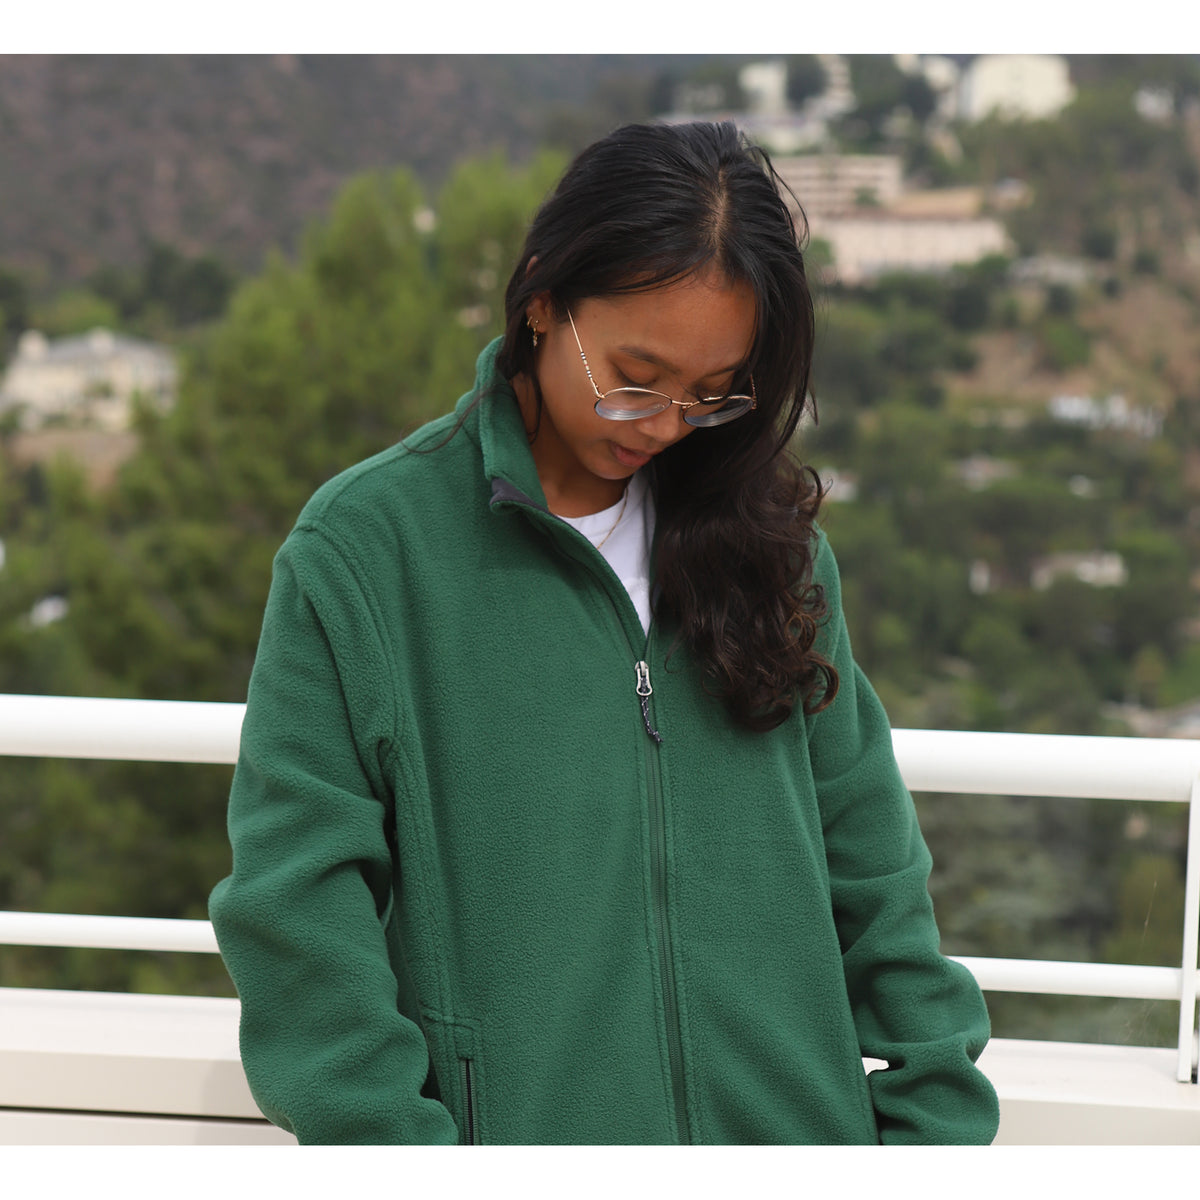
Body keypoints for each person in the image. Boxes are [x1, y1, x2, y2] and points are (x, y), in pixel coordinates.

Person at [209, 120, 999, 1145]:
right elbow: (297, 912)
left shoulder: (772, 548)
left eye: (714, 394)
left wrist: (932, 1123)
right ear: (543, 297)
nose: (665, 423)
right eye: (635, 373)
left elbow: (873, 864)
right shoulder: (367, 552)